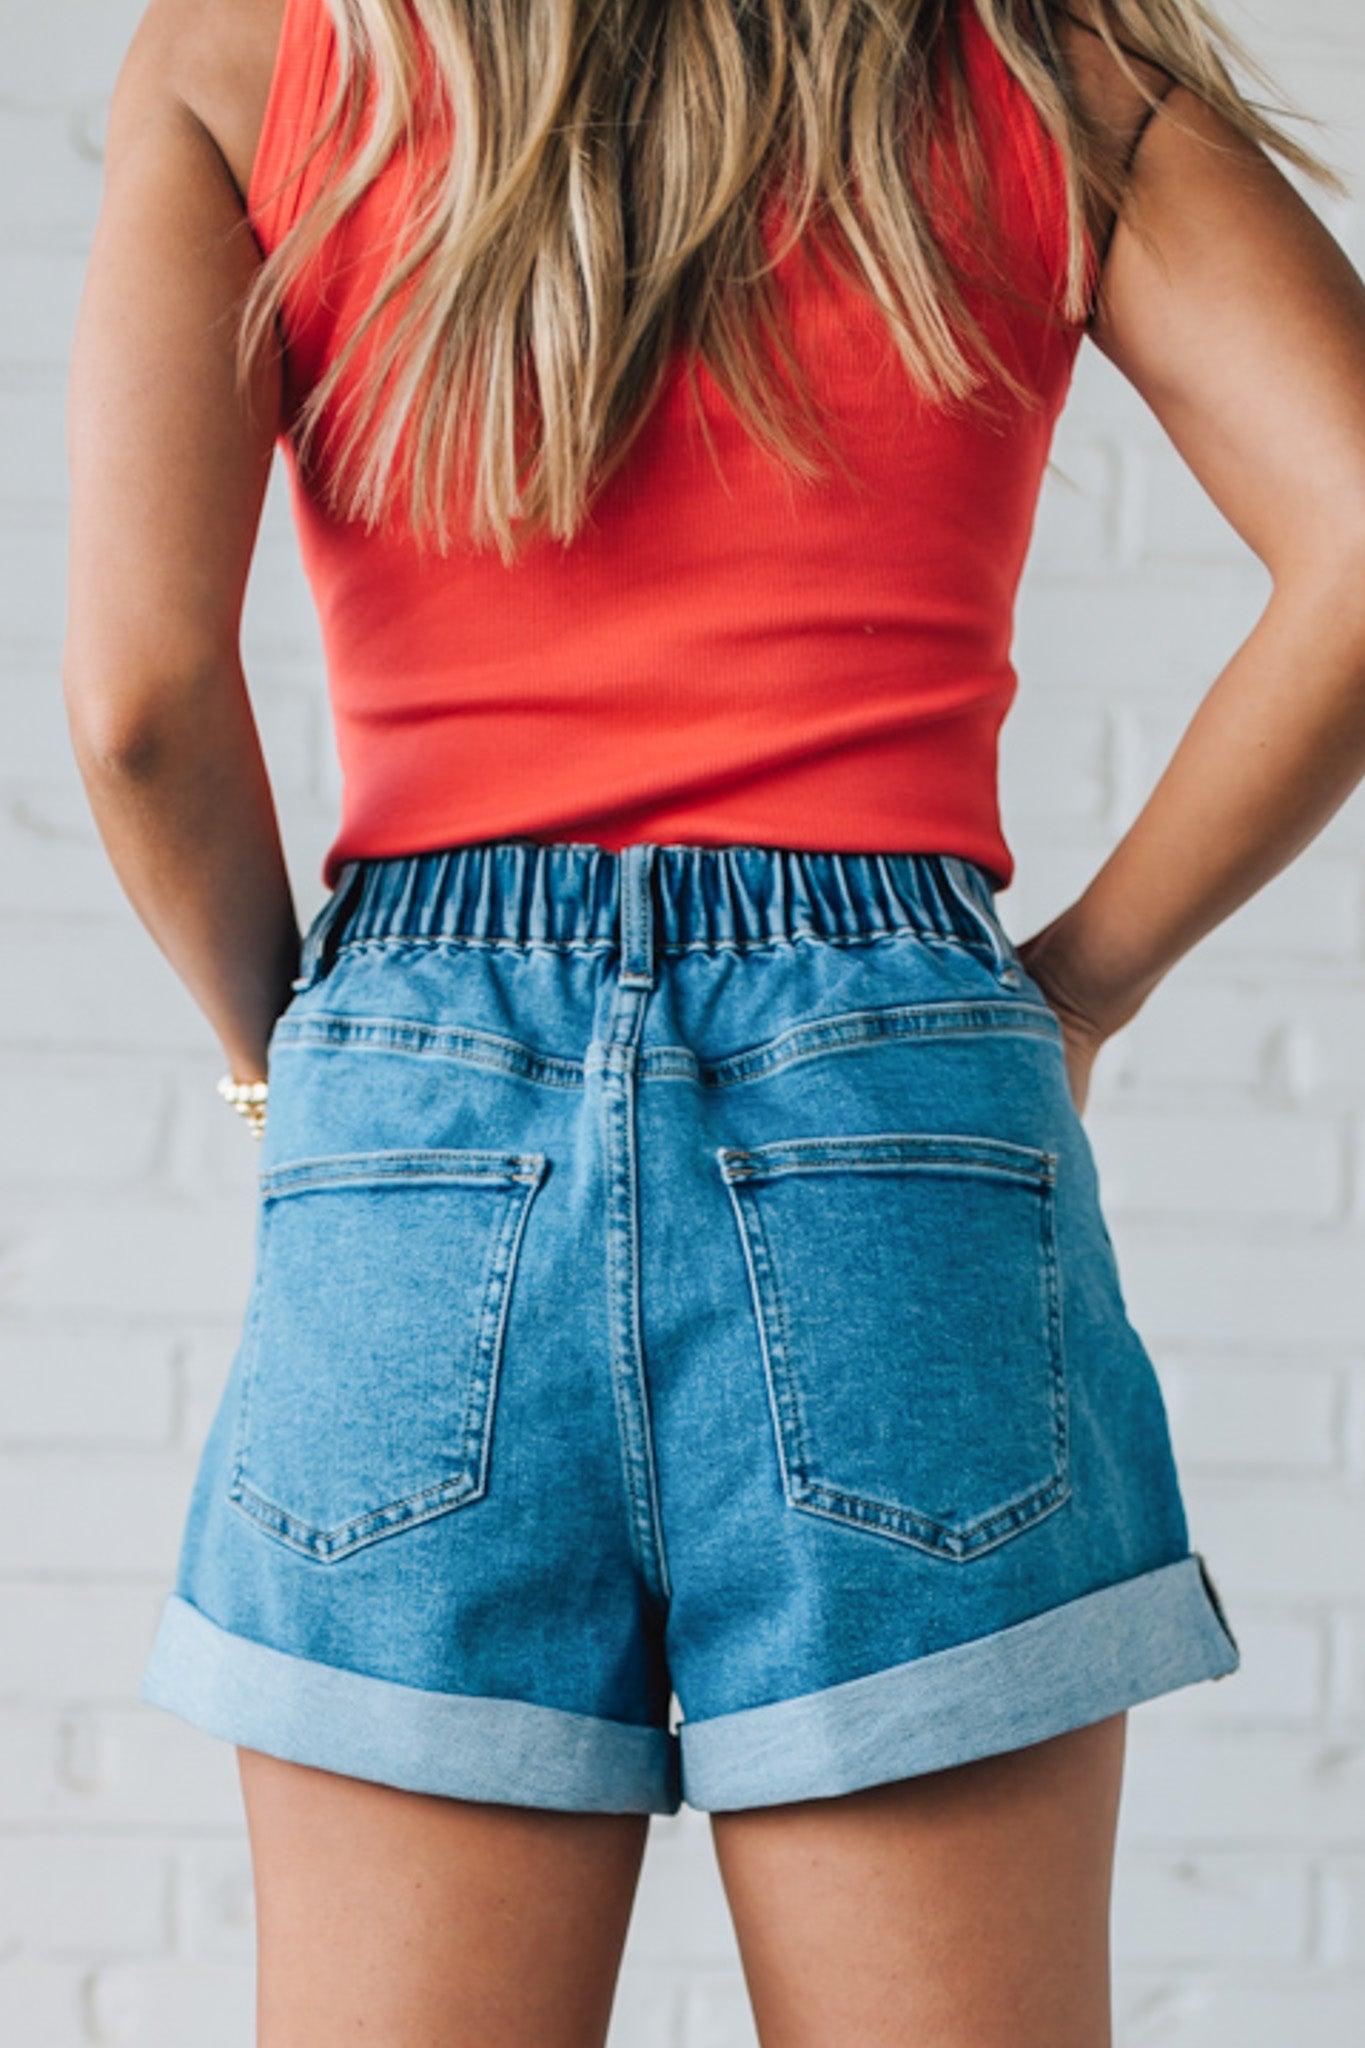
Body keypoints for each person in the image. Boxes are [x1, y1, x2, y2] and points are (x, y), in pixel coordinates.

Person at [63, 2, 1365, 2042]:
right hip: (896, 1086)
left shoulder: (246, 52)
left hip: (415, 1106)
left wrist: (286, 1059)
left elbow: (139, 706)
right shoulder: (1032, 56)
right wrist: (1083, 981)